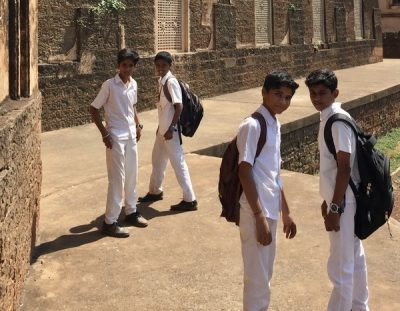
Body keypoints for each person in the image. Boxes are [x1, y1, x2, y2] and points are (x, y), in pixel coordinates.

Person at [305, 69, 369, 311]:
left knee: (340, 266)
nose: (316, 98)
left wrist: (334, 206)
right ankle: (359, 306)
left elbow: (344, 167)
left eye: (322, 93)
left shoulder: (337, 122)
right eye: (313, 93)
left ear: (335, 93)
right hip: (343, 198)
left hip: (344, 202)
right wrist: (328, 197)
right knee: (353, 255)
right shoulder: (328, 117)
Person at [237, 71, 298, 310]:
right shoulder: (252, 125)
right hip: (256, 210)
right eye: (277, 95)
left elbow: (274, 172)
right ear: (263, 92)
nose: (282, 102)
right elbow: (244, 171)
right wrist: (258, 216)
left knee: (265, 272)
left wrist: (286, 211)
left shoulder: (274, 123)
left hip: (270, 207)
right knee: (257, 277)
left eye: (287, 97)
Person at [90, 48, 148, 238]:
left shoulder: (133, 84)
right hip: (115, 137)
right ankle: (110, 222)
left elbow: (132, 107)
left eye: (131, 65)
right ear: (118, 65)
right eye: (124, 65)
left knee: (132, 175)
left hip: (131, 135)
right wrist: (105, 134)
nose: (127, 69)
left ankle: (131, 212)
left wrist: (138, 125)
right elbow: (93, 109)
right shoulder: (109, 85)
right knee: (117, 179)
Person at [138, 51, 197, 212]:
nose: (160, 68)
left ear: (169, 65)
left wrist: (171, 128)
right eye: (157, 65)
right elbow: (165, 108)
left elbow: (179, 106)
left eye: (164, 65)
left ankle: (190, 199)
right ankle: (155, 191)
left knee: (178, 163)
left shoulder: (170, 82)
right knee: (157, 160)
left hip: (171, 132)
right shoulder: (161, 81)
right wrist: (161, 128)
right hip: (162, 131)